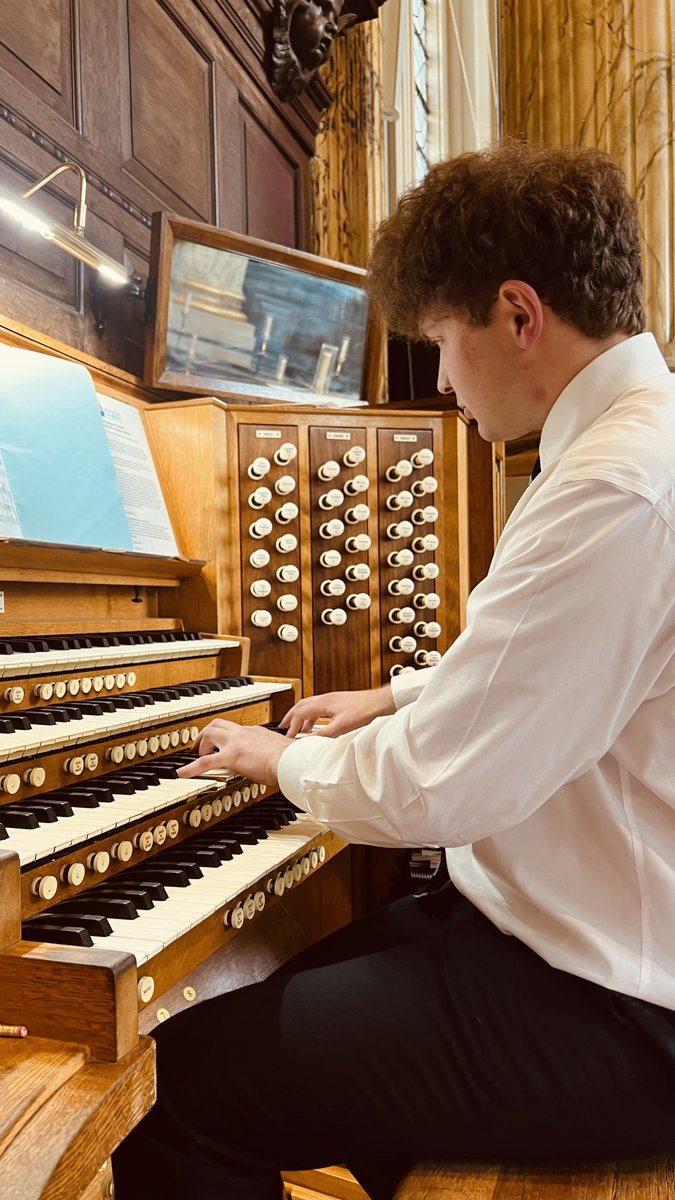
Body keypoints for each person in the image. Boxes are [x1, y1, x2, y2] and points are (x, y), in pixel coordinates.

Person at [113, 142, 675, 1200]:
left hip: (618, 996)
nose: (447, 385)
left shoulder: (618, 484)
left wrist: (273, 761)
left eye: (441, 347)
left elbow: (440, 788)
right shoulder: (639, 444)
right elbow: (564, 670)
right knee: (268, 1017)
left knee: (171, 1093)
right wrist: (395, 693)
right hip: (551, 929)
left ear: (519, 316)